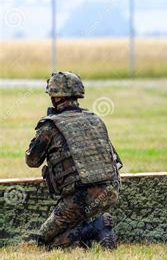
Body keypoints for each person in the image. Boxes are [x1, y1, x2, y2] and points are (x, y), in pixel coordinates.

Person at [25, 71, 123, 250]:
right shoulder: (95, 119)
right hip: (111, 190)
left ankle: (94, 227)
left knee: (45, 241)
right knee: (73, 221)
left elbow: (32, 160)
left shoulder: (50, 125)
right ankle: (93, 231)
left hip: (80, 196)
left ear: (56, 97)